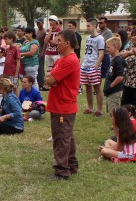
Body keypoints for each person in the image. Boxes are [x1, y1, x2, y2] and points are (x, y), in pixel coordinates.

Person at [45, 29, 80, 180]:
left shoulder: (69, 60)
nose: (55, 43)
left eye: (59, 41)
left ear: (67, 43)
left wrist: (51, 77)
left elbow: (50, 80)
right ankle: (71, 165)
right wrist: (51, 77)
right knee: (67, 137)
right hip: (60, 104)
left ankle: (62, 170)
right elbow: (49, 77)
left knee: (61, 138)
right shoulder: (61, 60)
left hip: (63, 106)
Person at [80, 18, 105, 117]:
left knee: (97, 88)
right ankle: (90, 108)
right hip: (85, 65)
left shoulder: (100, 39)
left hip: (93, 66)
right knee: (87, 87)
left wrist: (96, 66)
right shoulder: (88, 38)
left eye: (88, 26)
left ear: (94, 26)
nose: (87, 28)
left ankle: (99, 109)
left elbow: (101, 54)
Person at [102, 35, 126, 116]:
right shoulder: (113, 59)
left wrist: (111, 86)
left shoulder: (118, 60)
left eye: (108, 47)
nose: (106, 49)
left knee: (115, 113)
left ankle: (116, 127)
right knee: (112, 112)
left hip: (115, 92)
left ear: (115, 47)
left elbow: (120, 77)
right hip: (111, 92)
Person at [40, 16, 62, 91]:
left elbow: (53, 43)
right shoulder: (49, 30)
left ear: (56, 22)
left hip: (56, 53)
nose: (50, 22)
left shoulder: (59, 31)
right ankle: (48, 85)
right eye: (49, 21)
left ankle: (56, 83)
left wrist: (50, 40)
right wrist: (50, 32)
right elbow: (45, 40)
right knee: (49, 70)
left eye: (52, 21)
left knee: (56, 69)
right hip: (48, 52)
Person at [35, 18, 47, 88]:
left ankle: (41, 82)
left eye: (39, 23)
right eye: (37, 23)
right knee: (37, 67)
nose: (38, 24)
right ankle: (38, 82)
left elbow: (45, 43)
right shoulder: (37, 31)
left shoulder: (44, 31)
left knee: (41, 68)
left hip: (41, 51)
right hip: (36, 52)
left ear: (42, 23)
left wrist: (43, 52)